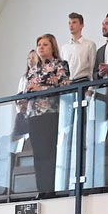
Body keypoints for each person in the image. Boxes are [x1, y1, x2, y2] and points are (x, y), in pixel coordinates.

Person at [24, 34, 70, 197]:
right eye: (39, 45)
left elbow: (65, 87)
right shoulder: (33, 69)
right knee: (38, 154)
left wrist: (41, 89)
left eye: (45, 45)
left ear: (52, 47)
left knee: (49, 152)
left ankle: (51, 189)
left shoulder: (59, 65)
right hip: (33, 115)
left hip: (50, 113)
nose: (41, 47)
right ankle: (41, 189)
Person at [64, 12, 97, 83]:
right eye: (69, 23)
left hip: (83, 81)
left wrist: (91, 86)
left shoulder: (89, 44)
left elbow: (92, 67)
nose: (71, 25)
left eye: (74, 22)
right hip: (68, 83)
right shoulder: (65, 48)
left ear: (81, 25)